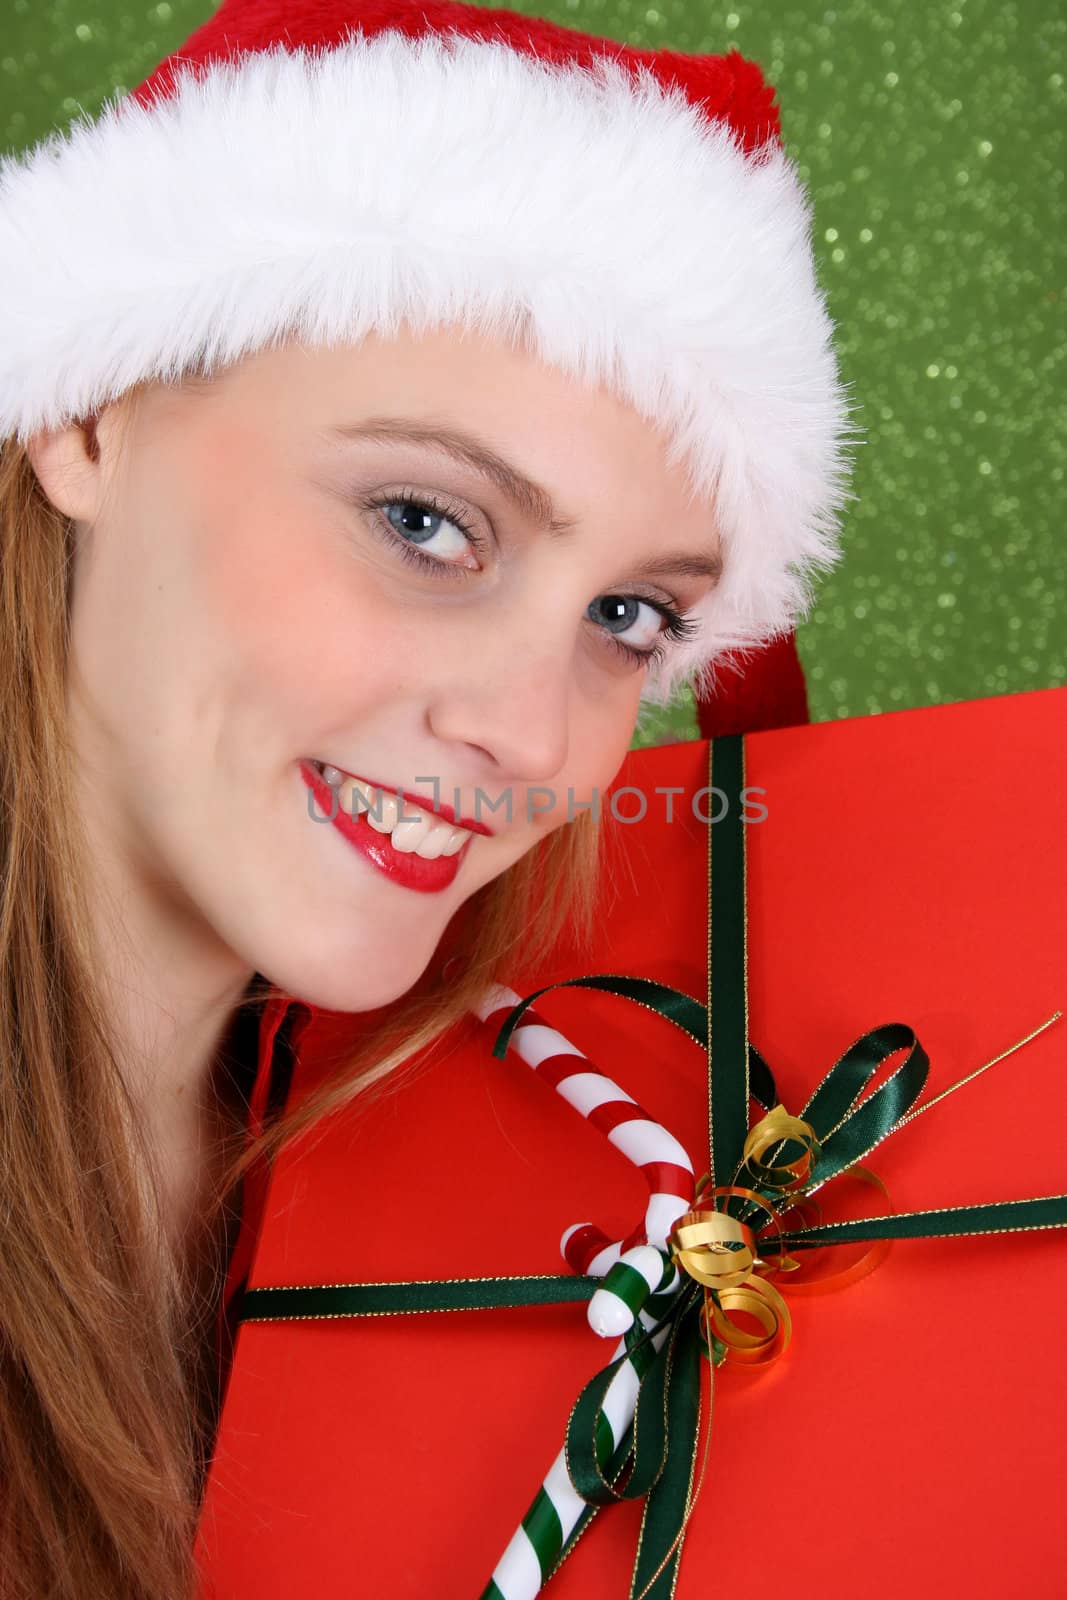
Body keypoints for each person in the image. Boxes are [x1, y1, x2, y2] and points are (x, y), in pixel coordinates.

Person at [0, 1, 853, 1595]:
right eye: (426, 522)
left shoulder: (579, 1165)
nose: (535, 739)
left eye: (629, 619)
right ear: (90, 414)